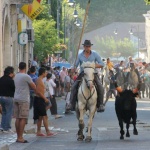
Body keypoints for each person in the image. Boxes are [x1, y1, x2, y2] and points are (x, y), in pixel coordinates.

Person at [70, 40, 105, 112]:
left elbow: (102, 64)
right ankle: (72, 104)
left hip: (93, 73)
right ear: (84, 47)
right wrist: (73, 69)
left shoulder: (95, 54)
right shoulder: (79, 55)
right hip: (83, 73)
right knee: (74, 86)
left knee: (100, 87)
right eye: (86, 46)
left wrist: (93, 65)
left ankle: (100, 104)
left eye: (89, 46)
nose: (88, 48)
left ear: (90, 47)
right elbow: (75, 66)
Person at [14, 62, 36, 143]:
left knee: (17, 118)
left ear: (19, 67)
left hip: (16, 97)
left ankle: (17, 136)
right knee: (23, 118)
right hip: (24, 98)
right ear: (25, 68)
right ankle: (20, 137)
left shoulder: (16, 76)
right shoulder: (26, 76)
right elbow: (34, 86)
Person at [34, 68, 57, 137]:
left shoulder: (39, 80)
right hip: (40, 99)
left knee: (41, 116)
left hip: (39, 99)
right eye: (45, 72)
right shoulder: (40, 80)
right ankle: (48, 131)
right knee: (44, 116)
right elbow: (38, 91)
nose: (46, 73)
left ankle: (39, 131)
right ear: (43, 73)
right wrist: (45, 98)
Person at [0, 66, 15, 133]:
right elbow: (13, 89)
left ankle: (2, 126)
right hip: (8, 97)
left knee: (4, 112)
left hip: (1, 97)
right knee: (9, 112)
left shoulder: (1, 79)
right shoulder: (10, 80)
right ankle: (7, 127)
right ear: (10, 73)